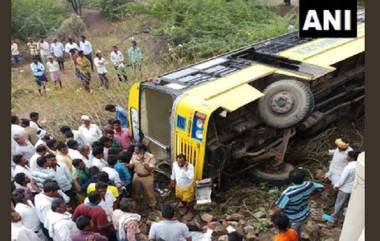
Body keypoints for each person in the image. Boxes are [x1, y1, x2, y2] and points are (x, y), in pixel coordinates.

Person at [274, 168, 323, 238]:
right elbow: (321, 187)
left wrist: (273, 217)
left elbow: (279, 208)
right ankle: (310, 233)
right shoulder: (309, 184)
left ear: (291, 180)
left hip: (292, 219)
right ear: (303, 178)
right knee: (301, 226)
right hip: (305, 214)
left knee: (294, 234)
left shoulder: (288, 193)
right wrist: (313, 196)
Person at [323, 151, 360, 224]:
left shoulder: (349, 167)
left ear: (351, 158)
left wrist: (336, 186)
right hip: (353, 189)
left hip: (345, 189)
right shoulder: (358, 166)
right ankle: (344, 218)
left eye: (348, 156)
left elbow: (342, 179)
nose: (347, 157)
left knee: (339, 204)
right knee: (348, 204)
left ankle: (333, 219)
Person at [129, 143, 157, 210]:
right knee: (136, 190)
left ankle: (153, 205)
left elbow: (150, 169)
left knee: (150, 193)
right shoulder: (134, 154)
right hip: (137, 176)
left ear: (142, 150)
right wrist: (129, 165)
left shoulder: (150, 157)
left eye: (136, 150)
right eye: (135, 150)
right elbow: (131, 163)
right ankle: (139, 201)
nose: (135, 151)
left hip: (147, 177)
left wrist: (143, 162)